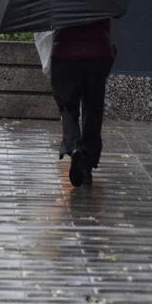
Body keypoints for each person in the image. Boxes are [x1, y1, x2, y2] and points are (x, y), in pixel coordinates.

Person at [51, 20, 116, 188]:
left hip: (65, 53)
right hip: (98, 52)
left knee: (67, 106)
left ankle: (74, 147)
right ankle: (87, 166)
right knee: (93, 108)